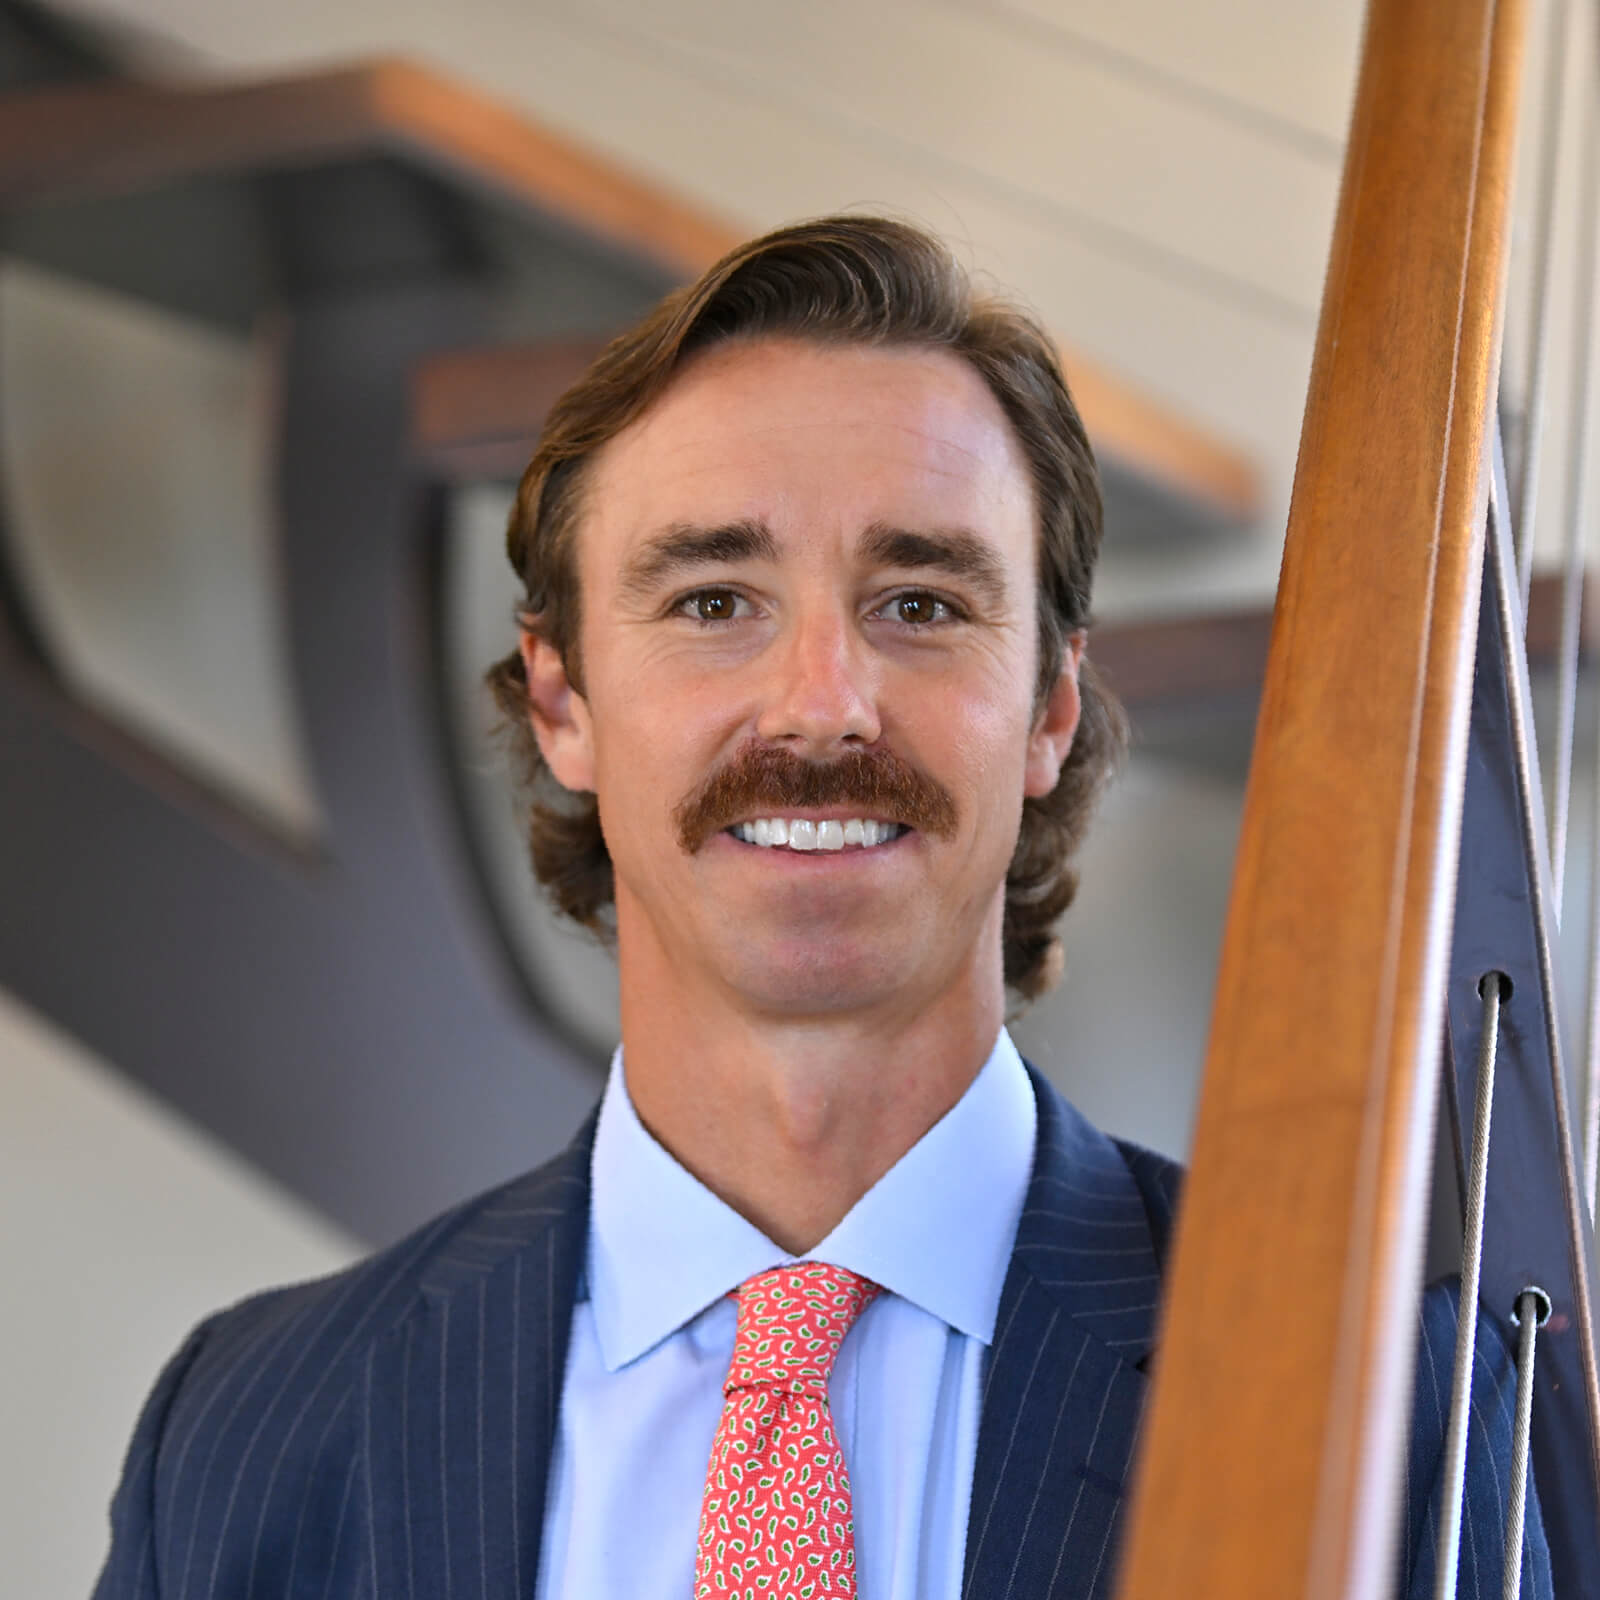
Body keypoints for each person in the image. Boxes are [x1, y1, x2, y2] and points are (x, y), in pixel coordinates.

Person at [93, 215, 1547, 1600]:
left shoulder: (1393, 1410)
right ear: (561, 702)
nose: (823, 705)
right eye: (715, 599)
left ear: (1048, 705)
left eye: (919, 601)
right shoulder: (247, 1433)